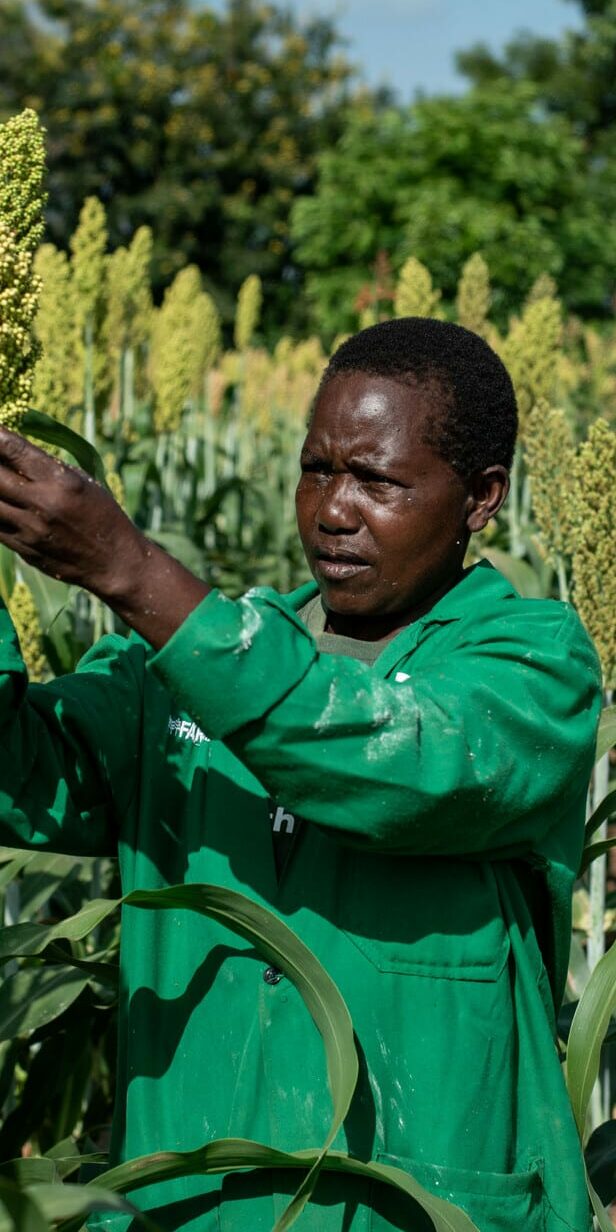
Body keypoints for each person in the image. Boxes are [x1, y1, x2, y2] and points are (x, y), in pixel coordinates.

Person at [0, 317, 601, 1232]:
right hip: (185, 1207)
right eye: (317, 469)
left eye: (377, 480)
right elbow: (23, 781)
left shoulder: (531, 667)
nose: (331, 509)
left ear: (481, 499)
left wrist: (131, 571)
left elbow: (393, 764)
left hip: (414, 1213)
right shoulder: (175, 668)